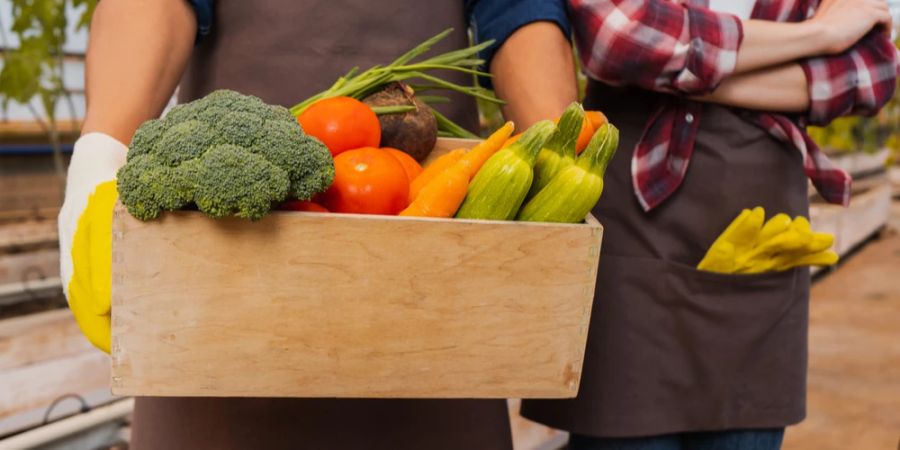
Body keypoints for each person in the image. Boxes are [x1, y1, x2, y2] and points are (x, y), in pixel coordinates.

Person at [58, 1, 514, 448]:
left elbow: (520, 11)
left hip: (439, 301)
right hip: (223, 278)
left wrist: (556, 146)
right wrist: (100, 153)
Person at [468, 0, 897, 449]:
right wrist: (821, 36)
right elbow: (618, 40)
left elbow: (872, 74)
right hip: (633, 245)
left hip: (761, 253)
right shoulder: (823, 26)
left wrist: (682, 70)